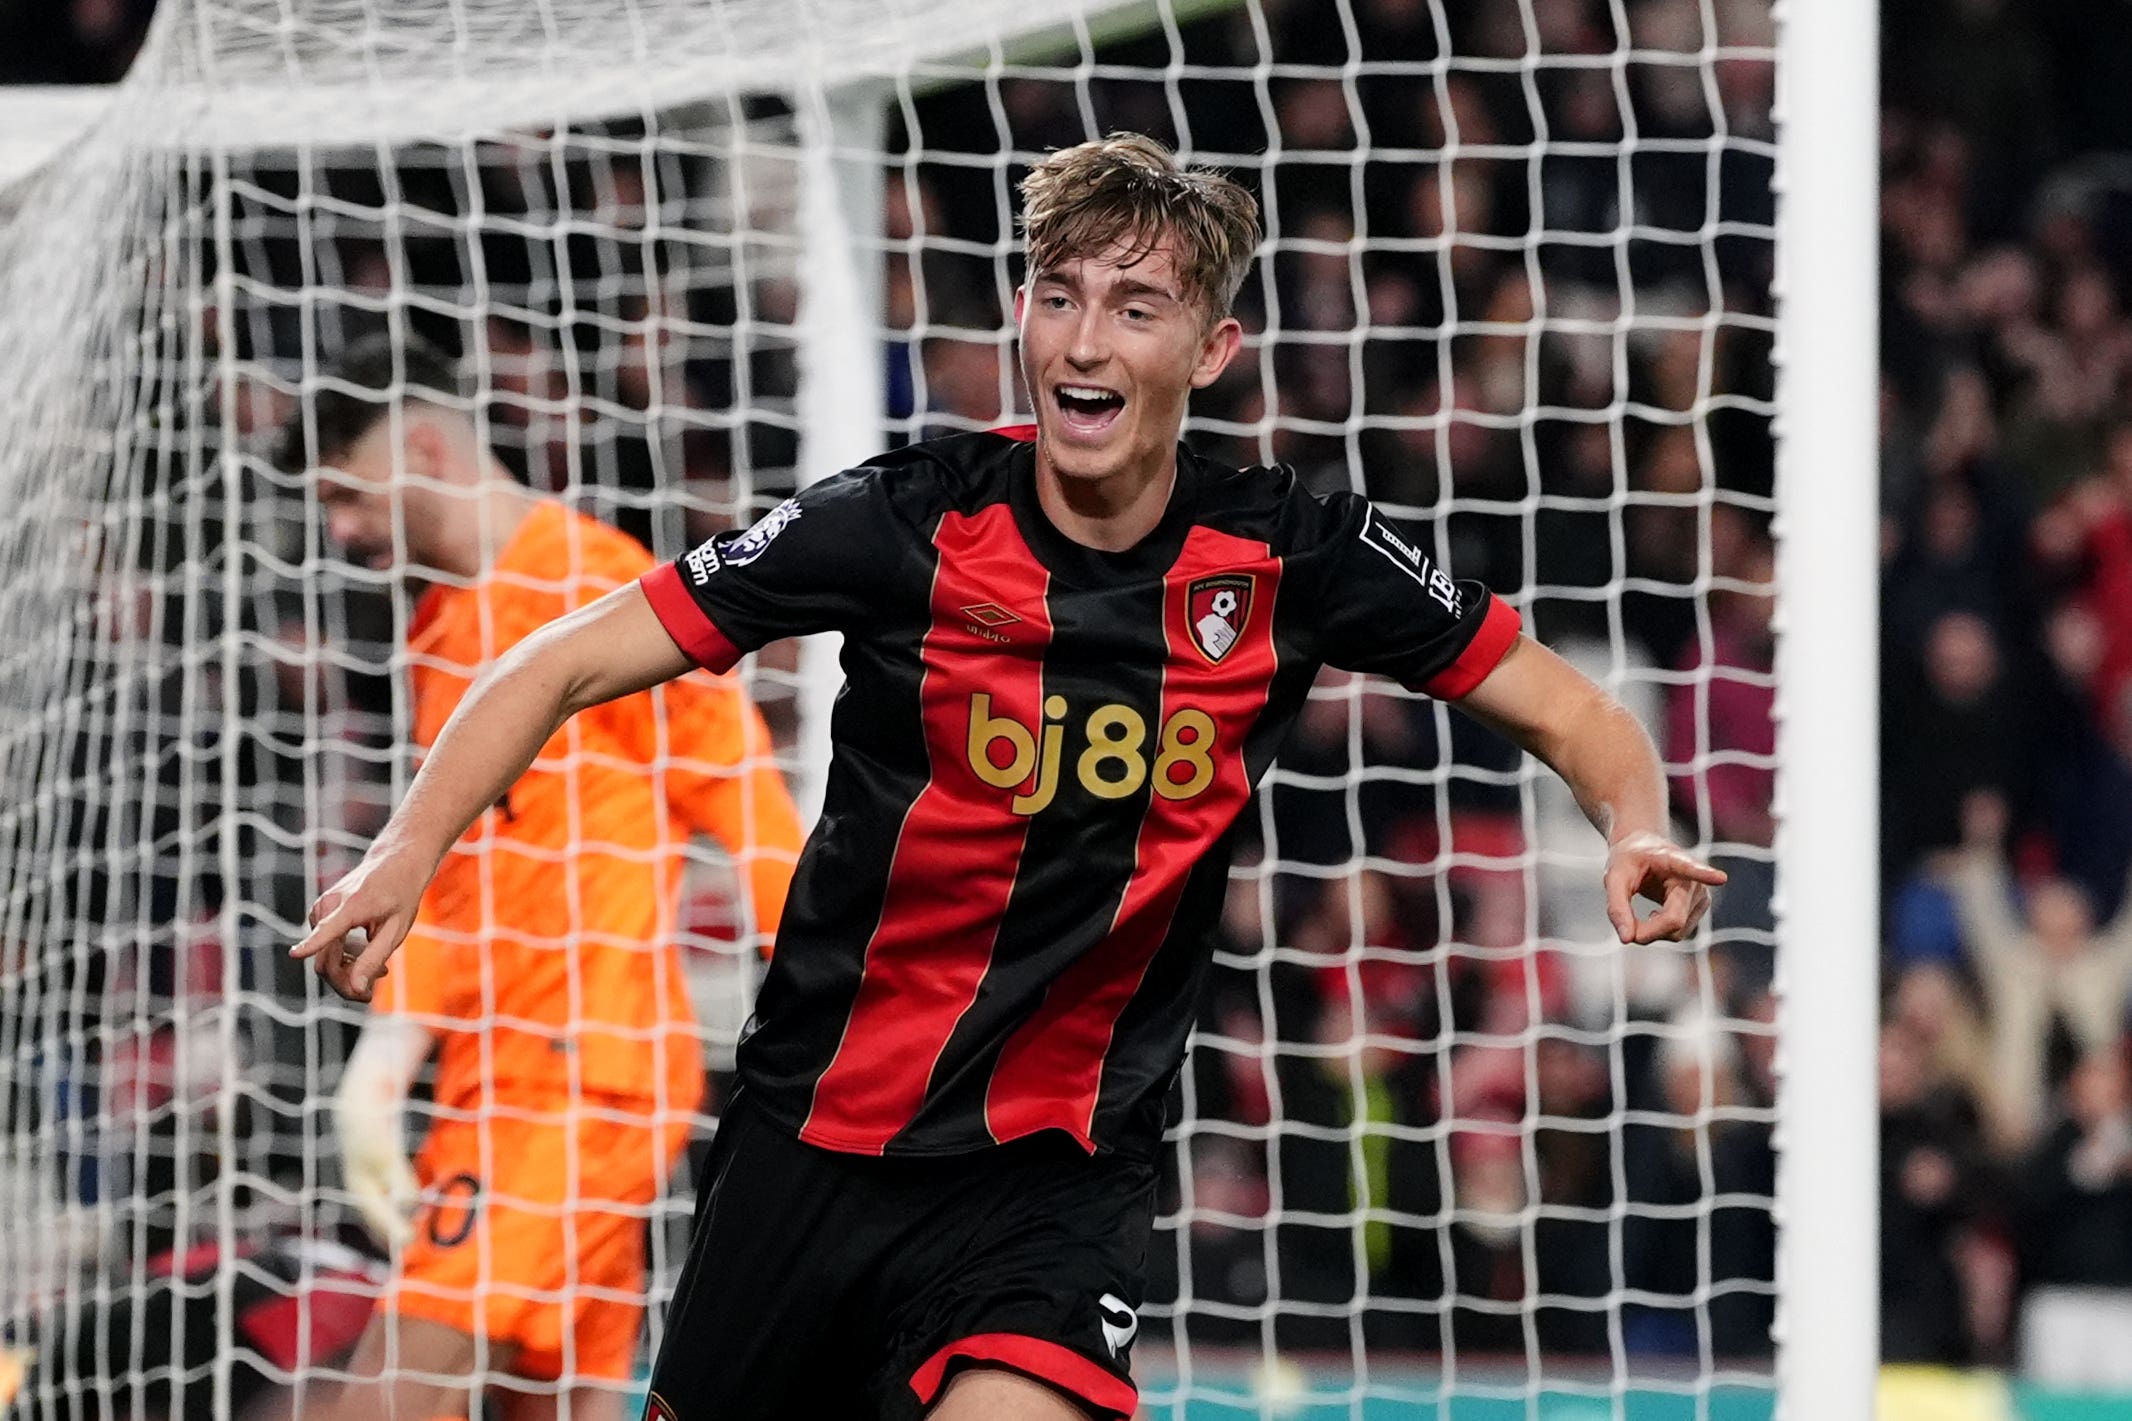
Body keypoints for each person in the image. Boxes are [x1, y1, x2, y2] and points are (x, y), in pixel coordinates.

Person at [293, 135, 1725, 1421]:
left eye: (1134, 306)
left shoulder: (1293, 555)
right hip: (815, 1139)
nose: (1081, 339)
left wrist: (1638, 821)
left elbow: (1570, 710)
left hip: (1052, 1165)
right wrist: (407, 850)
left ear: (1212, 348)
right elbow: (555, 660)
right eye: (1058, 295)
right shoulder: (901, 522)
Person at [278, 336, 804, 1421]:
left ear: (423, 448)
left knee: (384, 1399)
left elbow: (741, 792)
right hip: (498, 1077)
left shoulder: (594, 585)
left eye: (346, 495)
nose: (337, 532)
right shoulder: (436, 631)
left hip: (577, 1076)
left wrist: (828, 1000)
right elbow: (463, 886)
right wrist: (387, 1059)